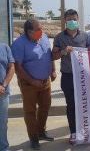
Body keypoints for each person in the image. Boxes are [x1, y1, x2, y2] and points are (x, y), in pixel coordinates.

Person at [11, 19, 56, 150]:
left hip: (45, 82)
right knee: (30, 111)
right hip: (28, 84)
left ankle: (41, 131)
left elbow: (50, 56)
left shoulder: (44, 37)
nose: (41, 31)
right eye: (38, 29)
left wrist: (52, 70)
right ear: (29, 32)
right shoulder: (19, 44)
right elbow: (18, 67)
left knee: (45, 107)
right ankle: (33, 138)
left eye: (41, 29)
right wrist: (32, 81)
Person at [52, 9, 90, 144]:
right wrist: (63, 51)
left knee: (85, 104)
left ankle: (85, 130)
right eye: (69, 19)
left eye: (74, 19)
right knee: (71, 105)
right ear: (65, 21)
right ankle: (73, 132)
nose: (72, 22)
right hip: (68, 76)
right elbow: (53, 56)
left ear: (78, 19)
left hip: (83, 77)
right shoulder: (59, 37)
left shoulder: (85, 36)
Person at [0, 43, 15, 151]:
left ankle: (4, 148)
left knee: (2, 123)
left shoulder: (5, 47)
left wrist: (4, 85)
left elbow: (11, 67)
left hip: (2, 92)